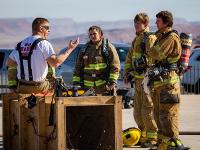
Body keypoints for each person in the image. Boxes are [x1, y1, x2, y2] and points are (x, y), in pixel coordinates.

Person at [146, 11, 187, 150]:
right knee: (158, 115)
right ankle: (163, 143)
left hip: (169, 83)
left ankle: (173, 143)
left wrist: (150, 44)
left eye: (158, 20)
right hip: (159, 83)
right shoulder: (160, 37)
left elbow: (155, 53)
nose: (155, 23)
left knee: (168, 115)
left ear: (166, 22)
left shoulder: (171, 37)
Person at [6, 17, 79, 94]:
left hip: (22, 87)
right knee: (58, 83)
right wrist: (70, 49)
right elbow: (55, 63)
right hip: (40, 87)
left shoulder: (20, 44)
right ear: (41, 28)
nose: (49, 31)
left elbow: (9, 63)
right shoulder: (43, 43)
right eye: (47, 28)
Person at [124, 13, 158, 148]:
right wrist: (128, 72)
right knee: (137, 111)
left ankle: (153, 138)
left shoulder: (150, 38)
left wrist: (140, 67)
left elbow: (152, 58)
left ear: (145, 24)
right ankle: (143, 137)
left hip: (147, 80)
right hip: (137, 80)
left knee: (147, 110)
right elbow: (129, 58)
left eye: (138, 23)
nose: (136, 25)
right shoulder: (137, 39)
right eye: (135, 23)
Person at [72, 26, 120, 95]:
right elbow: (78, 68)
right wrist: (76, 83)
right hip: (87, 89)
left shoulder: (108, 48)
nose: (92, 36)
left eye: (95, 34)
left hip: (104, 88)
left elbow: (115, 66)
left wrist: (112, 82)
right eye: (90, 34)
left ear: (100, 34)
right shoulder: (84, 49)